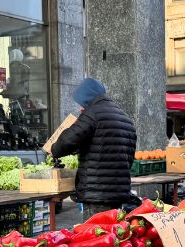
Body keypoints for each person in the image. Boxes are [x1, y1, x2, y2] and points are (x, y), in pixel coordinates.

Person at [50, 78, 137, 221]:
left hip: (96, 193)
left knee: (96, 236)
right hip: (119, 192)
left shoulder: (92, 114)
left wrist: (54, 149)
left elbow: (66, 142)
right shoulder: (125, 118)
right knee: (113, 235)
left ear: (86, 98)